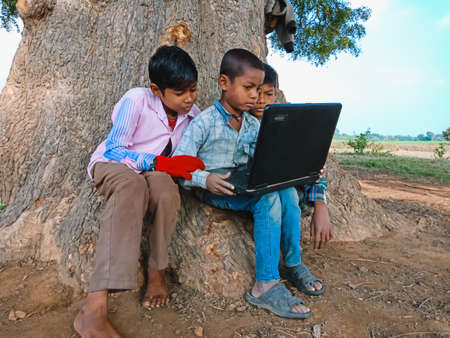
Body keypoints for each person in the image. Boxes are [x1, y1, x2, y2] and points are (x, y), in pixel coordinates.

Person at [173, 49, 332, 319]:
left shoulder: (252, 124)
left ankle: (292, 263)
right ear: (224, 83)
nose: (255, 96)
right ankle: (265, 285)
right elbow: (178, 163)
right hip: (216, 186)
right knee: (267, 199)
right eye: (248, 88)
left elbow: (270, 157)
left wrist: (302, 166)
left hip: (246, 182)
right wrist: (205, 178)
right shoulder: (204, 122)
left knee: (288, 194)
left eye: (258, 89)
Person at [74, 45, 205, 337]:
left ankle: (156, 271)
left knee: (167, 192)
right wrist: (156, 161)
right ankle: (93, 308)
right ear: (157, 90)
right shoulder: (137, 100)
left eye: (193, 90)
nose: (189, 99)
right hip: (114, 163)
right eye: (180, 92)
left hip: (153, 170)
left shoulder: (193, 115)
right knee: (132, 188)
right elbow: (116, 148)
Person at [249, 63, 332, 251]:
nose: (261, 100)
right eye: (256, 92)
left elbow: (312, 168)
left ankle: (292, 259)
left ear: (276, 93)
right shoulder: (239, 126)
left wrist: (321, 206)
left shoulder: (289, 128)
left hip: (293, 196)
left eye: (268, 94)